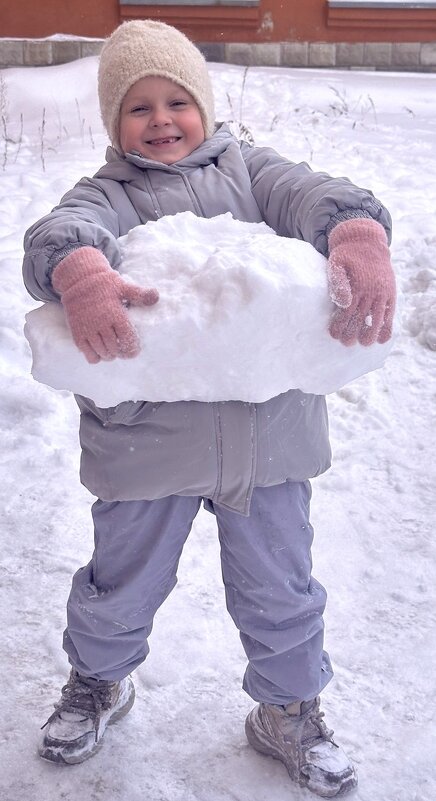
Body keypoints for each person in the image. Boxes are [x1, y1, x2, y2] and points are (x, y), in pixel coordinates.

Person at [22, 19, 396, 797]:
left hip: (270, 441)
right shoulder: (110, 194)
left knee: (281, 583)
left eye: (177, 101)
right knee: (120, 581)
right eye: (138, 108)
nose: (161, 120)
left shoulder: (255, 174)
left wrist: (355, 230)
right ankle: (99, 681)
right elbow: (60, 233)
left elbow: (318, 194)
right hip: (146, 443)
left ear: (206, 105)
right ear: (114, 123)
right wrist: (80, 269)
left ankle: (288, 708)